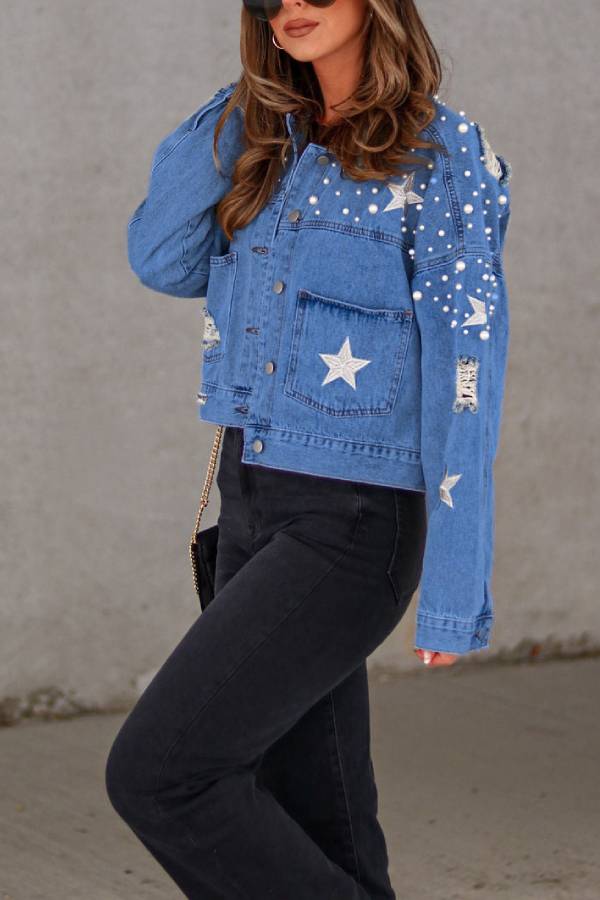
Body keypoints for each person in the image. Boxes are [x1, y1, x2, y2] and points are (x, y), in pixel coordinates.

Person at [105, 1, 512, 896]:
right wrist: (244, 106)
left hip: (351, 523)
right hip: (249, 498)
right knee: (322, 819)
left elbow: (466, 372)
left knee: (162, 775)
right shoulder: (265, 141)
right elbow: (159, 256)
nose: (291, 3)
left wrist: (454, 588)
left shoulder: (443, 157)